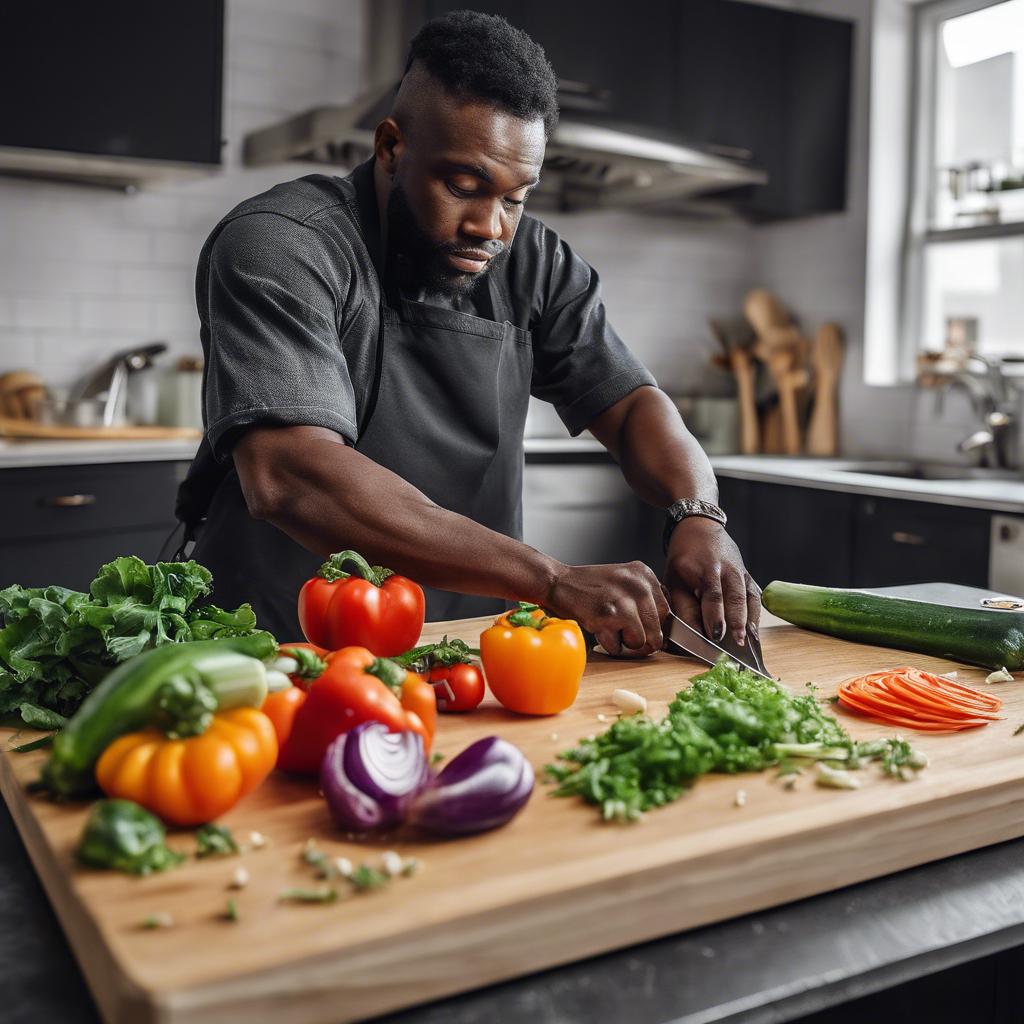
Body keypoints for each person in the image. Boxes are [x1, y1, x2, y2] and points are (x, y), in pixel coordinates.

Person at [175, 10, 760, 657]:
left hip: (464, 651)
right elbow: (291, 474)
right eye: (463, 185)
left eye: (515, 197)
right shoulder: (284, 242)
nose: (491, 226)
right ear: (392, 147)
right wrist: (554, 580)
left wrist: (697, 514)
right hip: (278, 647)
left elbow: (631, 408)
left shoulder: (537, 264)